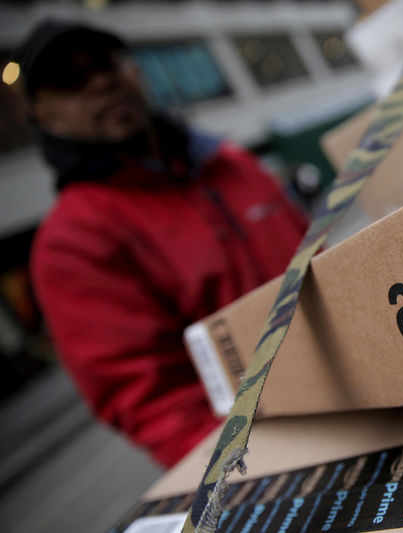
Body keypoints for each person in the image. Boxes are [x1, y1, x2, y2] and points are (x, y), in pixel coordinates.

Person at [20, 20, 309, 468]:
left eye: (106, 63)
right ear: (43, 114)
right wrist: (255, 473)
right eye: (70, 80)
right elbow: (154, 403)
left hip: (365, 388)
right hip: (279, 451)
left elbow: (316, 259)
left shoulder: (228, 163)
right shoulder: (74, 240)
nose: (100, 81)